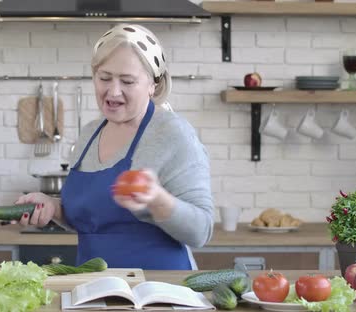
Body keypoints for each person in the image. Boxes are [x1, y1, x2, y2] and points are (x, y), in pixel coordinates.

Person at [16, 24, 213, 270]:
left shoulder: (173, 134)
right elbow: (92, 218)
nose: (113, 91)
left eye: (128, 81)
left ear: (154, 84)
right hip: (94, 290)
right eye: (104, 78)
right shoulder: (90, 133)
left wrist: (158, 200)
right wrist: (52, 207)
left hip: (161, 290)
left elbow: (202, 231)